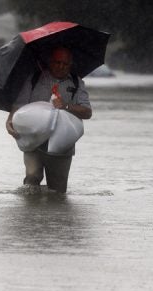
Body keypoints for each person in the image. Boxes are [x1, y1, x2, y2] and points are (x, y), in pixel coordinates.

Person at [6, 47, 92, 193]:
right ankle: (31, 214)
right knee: (31, 180)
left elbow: (87, 112)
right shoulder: (34, 79)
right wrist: (9, 122)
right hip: (33, 141)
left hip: (62, 146)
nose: (61, 66)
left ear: (70, 65)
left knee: (58, 192)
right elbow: (19, 106)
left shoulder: (77, 83)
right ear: (50, 62)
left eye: (65, 64)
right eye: (57, 62)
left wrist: (65, 105)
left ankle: (54, 216)